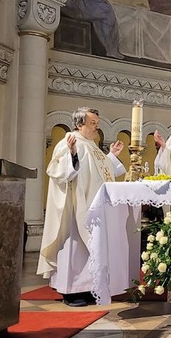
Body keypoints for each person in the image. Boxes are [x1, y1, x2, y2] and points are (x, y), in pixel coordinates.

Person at [37, 107, 126, 307]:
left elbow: (103, 171)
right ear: (79, 124)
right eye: (93, 123)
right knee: (75, 248)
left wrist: (111, 156)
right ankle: (70, 291)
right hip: (76, 205)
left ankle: (86, 289)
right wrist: (72, 155)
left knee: (90, 250)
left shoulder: (92, 145)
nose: (97, 126)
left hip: (93, 205)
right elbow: (57, 170)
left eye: (97, 122)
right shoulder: (70, 141)